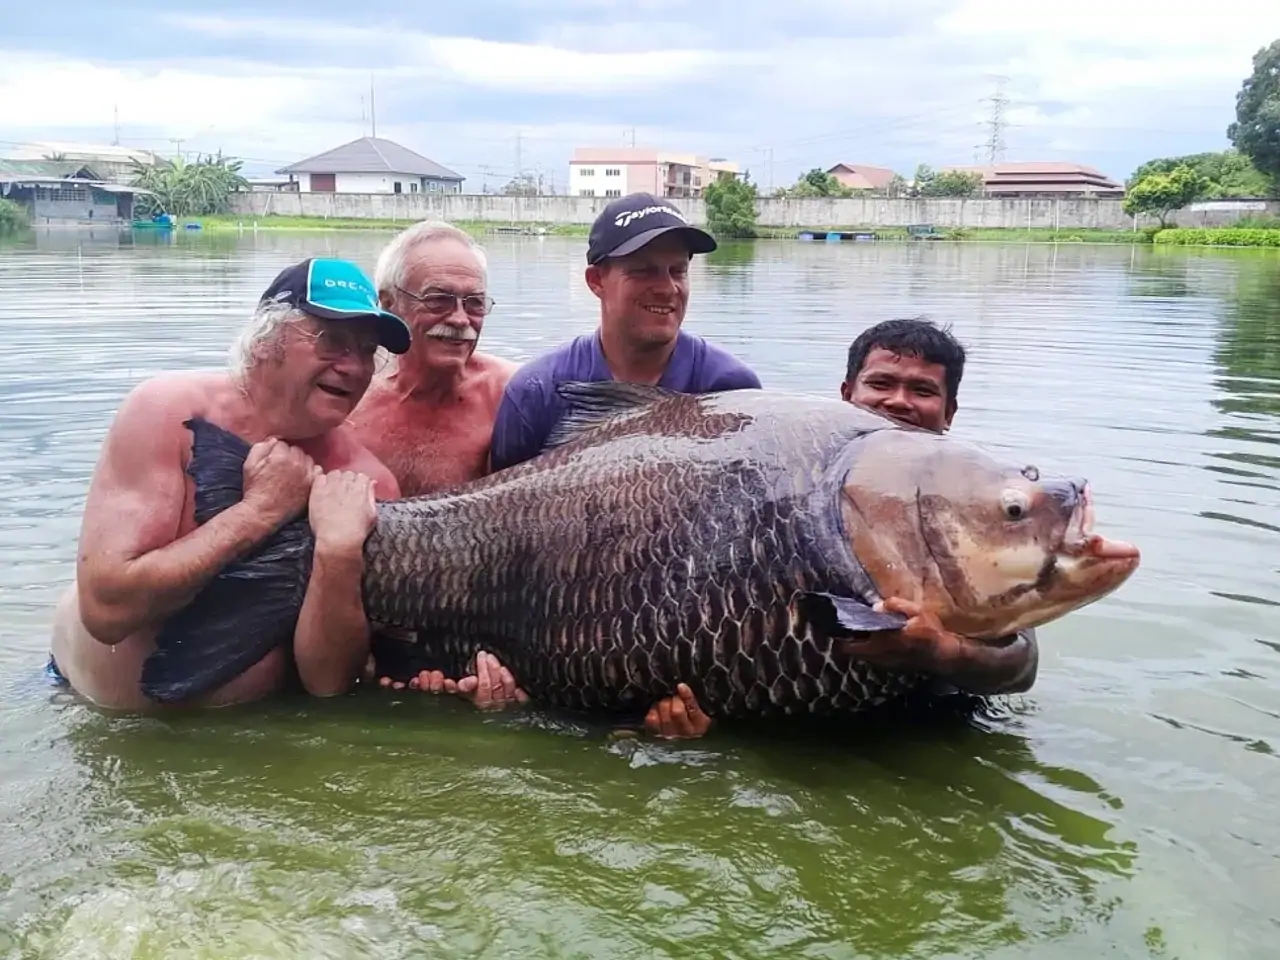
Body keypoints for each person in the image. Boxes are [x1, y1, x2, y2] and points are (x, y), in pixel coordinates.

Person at [47, 257, 411, 712]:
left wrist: (337, 553)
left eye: (366, 350)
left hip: (252, 734)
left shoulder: (367, 482)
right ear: (265, 341)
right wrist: (258, 512)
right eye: (332, 341)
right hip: (87, 713)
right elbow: (106, 611)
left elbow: (331, 684)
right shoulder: (167, 412)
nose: (354, 367)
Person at [488, 192, 762, 472]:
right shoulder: (536, 392)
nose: (667, 289)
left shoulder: (730, 388)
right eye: (644, 271)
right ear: (596, 281)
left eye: (678, 271)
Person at [347, 221, 518, 498]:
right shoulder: (345, 394)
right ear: (389, 304)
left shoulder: (513, 395)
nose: (461, 319)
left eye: (474, 303)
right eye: (438, 299)